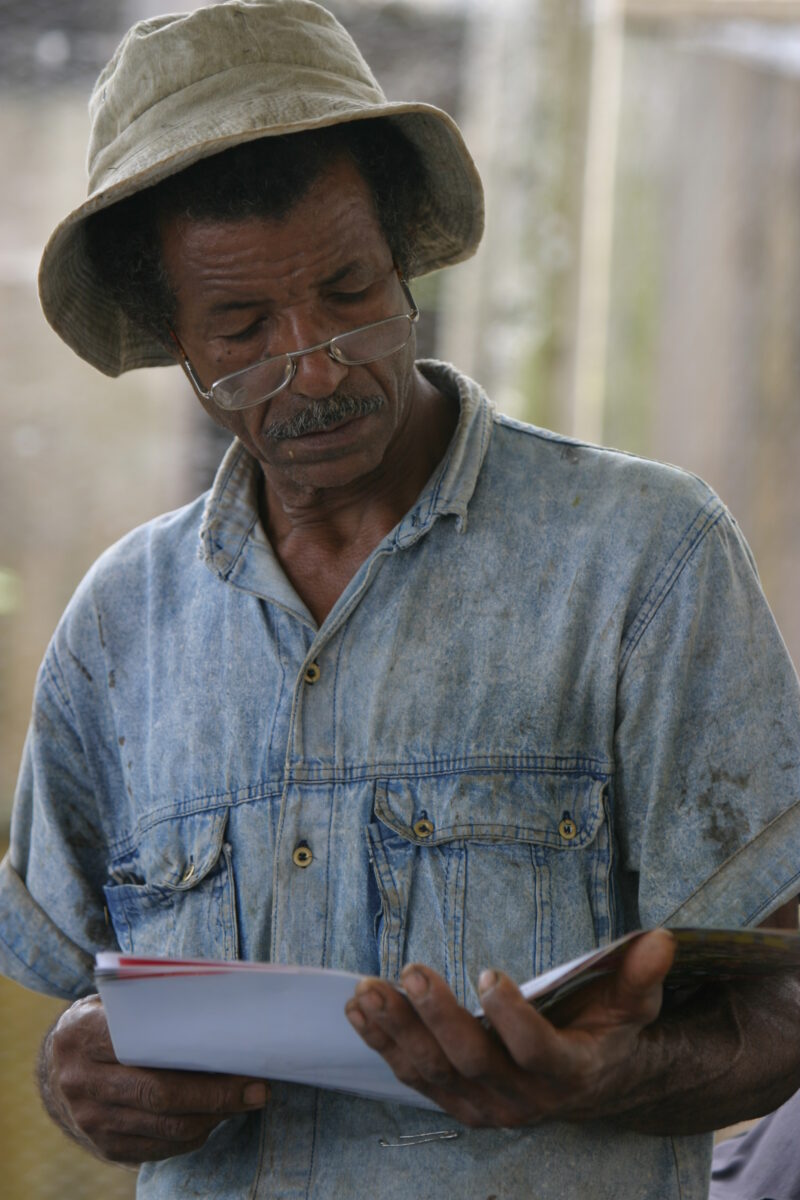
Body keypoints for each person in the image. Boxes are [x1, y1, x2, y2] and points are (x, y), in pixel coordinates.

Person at [1, 2, 799, 1197]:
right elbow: (66, 1013)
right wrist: (76, 1082)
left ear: (403, 255)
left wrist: (601, 1079)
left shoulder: (644, 559)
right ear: (174, 339)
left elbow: (782, 998)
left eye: (348, 290)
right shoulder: (121, 628)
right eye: (245, 328)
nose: (316, 364)